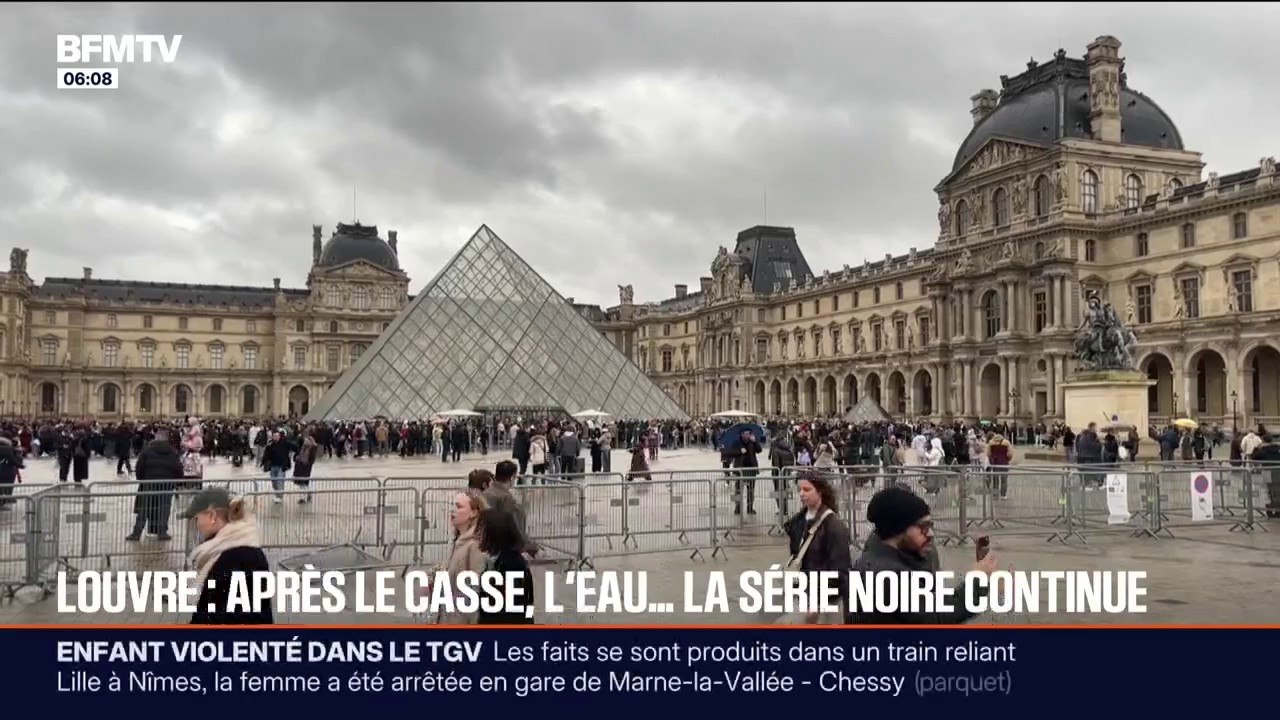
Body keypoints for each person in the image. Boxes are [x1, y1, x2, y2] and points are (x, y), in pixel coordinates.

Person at [849, 486, 997, 624]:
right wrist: (977, 579)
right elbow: (938, 616)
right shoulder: (885, 575)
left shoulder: (896, 554)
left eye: (930, 526)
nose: (930, 533)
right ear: (898, 529)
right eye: (923, 527)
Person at [183, 488, 273, 624]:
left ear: (212, 516)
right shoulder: (237, 549)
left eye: (197, 519)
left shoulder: (230, 559)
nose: (197, 525)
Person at [783, 473, 852, 624]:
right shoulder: (798, 522)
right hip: (803, 593)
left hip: (826, 601)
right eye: (800, 490)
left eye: (807, 489)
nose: (802, 494)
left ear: (820, 492)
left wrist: (816, 600)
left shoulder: (833, 526)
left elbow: (840, 571)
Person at [477, 507, 536, 625]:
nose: (477, 534)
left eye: (481, 529)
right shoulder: (496, 559)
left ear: (495, 532)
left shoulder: (512, 565)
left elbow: (511, 612)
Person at [127, 429, 184, 542]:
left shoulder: (146, 451)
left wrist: (142, 480)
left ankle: (136, 533)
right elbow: (178, 469)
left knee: (144, 509)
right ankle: (162, 533)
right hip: (166, 485)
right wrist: (176, 482)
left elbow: (139, 469)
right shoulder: (172, 453)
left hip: (149, 485)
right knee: (164, 509)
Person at [482, 460, 539, 557]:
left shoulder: (486, 492)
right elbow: (512, 525)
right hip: (503, 547)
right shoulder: (505, 497)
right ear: (512, 477)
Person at [292, 434, 317, 504]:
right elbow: (298, 455)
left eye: (307, 441)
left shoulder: (312, 449)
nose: (305, 442)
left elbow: (311, 460)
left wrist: (306, 463)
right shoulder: (303, 447)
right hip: (300, 467)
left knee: (303, 483)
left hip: (305, 468)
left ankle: (302, 498)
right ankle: (307, 494)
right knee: (302, 483)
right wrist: (297, 458)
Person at [0, 436, 23, 510]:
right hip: (5, 472)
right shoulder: (7, 450)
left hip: (4, 471)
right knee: (6, 487)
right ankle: (3, 502)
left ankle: (6, 500)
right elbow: (15, 462)